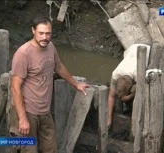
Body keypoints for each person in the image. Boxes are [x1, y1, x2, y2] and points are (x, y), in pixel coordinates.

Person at [9, 16, 89, 153]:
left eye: (48, 33)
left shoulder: (50, 46)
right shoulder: (23, 54)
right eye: (41, 33)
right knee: (29, 150)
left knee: (51, 149)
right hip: (28, 111)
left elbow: (58, 66)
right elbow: (15, 87)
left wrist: (76, 84)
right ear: (33, 31)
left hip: (44, 111)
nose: (45, 37)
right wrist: (22, 118)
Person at [107, 44, 151, 128]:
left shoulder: (138, 74)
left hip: (146, 50)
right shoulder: (115, 74)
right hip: (132, 49)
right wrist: (109, 118)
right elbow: (111, 96)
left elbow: (142, 89)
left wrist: (129, 97)